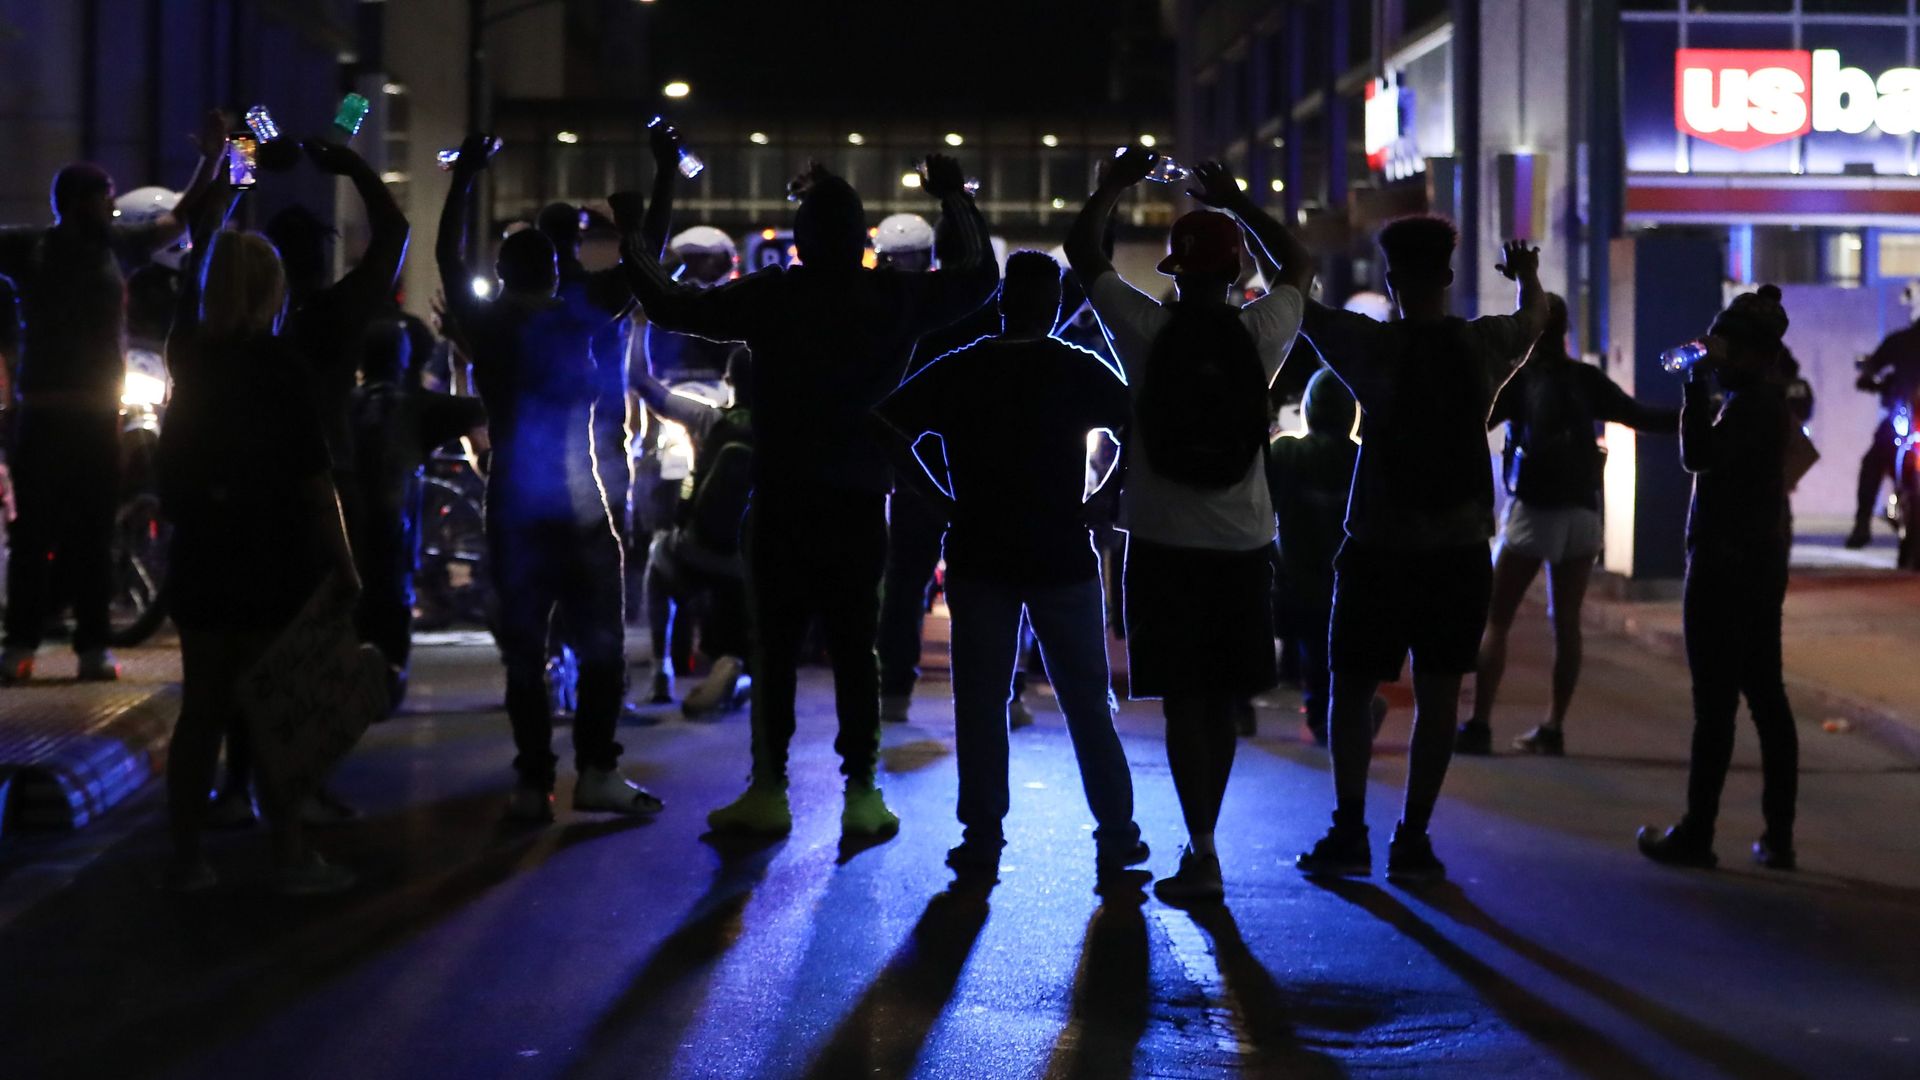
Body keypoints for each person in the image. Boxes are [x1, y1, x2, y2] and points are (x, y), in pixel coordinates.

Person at [617, 150, 996, 839]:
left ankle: (768, 789)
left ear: (800, 239)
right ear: (864, 243)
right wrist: (953, 197)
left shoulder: (774, 296)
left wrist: (633, 240)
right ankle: (862, 793)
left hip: (782, 496)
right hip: (858, 499)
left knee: (776, 647)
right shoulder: (893, 298)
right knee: (857, 648)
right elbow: (979, 280)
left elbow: (670, 303)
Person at [1067, 151, 1314, 906]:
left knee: (1183, 700)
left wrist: (1114, 182)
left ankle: (1200, 847)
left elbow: (1083, 254)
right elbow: (1299, 265)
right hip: (1242, 543)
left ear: (1175, 273)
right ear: (1237, 275)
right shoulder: (1261, 332)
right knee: (1221, 698)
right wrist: (1238, 203)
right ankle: (1207, 842)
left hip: (1164, 542)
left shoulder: (1144, 331)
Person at [875, 250, 1147, 878]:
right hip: (1061, 554)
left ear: (1001, 302)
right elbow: (1137, 418)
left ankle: (983, 837)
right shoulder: (1075, 367)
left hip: (979, 553)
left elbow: (885, 423)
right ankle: (1116, 832)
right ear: (1053, 306)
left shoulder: (963, 369)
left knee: (981, 699)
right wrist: (1105, 494)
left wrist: (935, 496)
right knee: (1086, 701)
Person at [1292, 217, 1547, 885]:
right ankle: (1413, 838)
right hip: (1458, 549)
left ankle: (1350, 829)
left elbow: (1304, 312)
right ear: (1448, 277)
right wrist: (1527, 275)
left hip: (1379, 546)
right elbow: (1535, 317)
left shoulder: (1371, 349)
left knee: (1350, 689)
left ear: (1391, 279)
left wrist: (1276, 249)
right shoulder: (1483, 346)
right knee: (1438, 697)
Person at [438, 135, 663, 822]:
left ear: (502, 272)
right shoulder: (580, 318)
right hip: (583, 508)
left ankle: (532, 783)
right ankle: (597, 771)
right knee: (601, 649)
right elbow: (644, 265)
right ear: (555, 275)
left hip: (512, 511)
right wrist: (647, 194)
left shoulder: (487, 324)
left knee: (523, 655)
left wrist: (468, 176)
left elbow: (448, 255)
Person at [158, 166, 358, 895]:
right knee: (279, 711)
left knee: (201, 711)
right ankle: (291, 855)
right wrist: (344, 563)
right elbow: (314, 476)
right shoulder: (282, 369)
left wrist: (232, 166)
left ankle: (186, 859)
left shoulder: (190, 360)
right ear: (271, 293)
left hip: (203, 554)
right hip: (273, 555)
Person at [0, 119, 220, 682]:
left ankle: (93, 647)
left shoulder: (117, 250)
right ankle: (20, 645)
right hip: (45, 414)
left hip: (97, 418)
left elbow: (183, 217)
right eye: (103, 197)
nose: (110, 207)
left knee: (93, 533)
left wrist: (217, 158)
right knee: (34, 536)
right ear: (78, 202)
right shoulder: (30, 248)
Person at [1457, 294, 1677, 757]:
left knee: (1497, 618)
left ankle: (1479, 725)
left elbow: (1471, 423)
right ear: (1566, 331)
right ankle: (1553, 727)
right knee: (1568, 622)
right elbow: (1640, 417)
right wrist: (1696, 416)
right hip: (1583, 513)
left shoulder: (1518, 381)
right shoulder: (1586, 379)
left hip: (1533, 510)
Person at [1638, 285, 1802, 872]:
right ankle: (1777, 837)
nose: (1717, 358)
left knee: (1719, 707)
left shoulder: (1751, 405)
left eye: (1726, 349)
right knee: (1765, 699)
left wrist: (1691, 389)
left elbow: (1697, 457)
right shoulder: (1764, 401)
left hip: (1724, 570)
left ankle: (1698, 832)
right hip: (1756, 566)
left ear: (1754, 354)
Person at [348, 319, 488, 707]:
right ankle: (387, 682)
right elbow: (480, 409)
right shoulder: (415, 406)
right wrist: (468, 356)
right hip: (393, 542)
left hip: (344, 542)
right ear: (406, 358)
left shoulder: (345, 403)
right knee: (391, 616)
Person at [636, 224, 742, 705]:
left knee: (662, 553)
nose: (702, 273)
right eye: (692, 262)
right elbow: (647, 381)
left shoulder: (736, 312)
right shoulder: (671, 312)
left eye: (710, 262)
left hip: (699, 412)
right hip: (676, 428)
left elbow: (640, 379)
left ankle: (666, 664)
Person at [634, 347, 755, 718]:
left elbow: (642, 382)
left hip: (697, 551)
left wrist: (638, 326)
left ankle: (661, 670)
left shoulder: (709, 420)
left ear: (728, 382)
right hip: (752, 564)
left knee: (657, 553)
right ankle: (736, 666)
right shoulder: (789, 429)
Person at [1267, 367, 1361, 746]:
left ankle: (1240, 705)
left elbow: (1260, 510)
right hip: (1347, 582)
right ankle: (1335, 713)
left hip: (1291, 579)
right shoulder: (1361, 458)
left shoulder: (1286, 452)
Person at [1847, 311, 1920, 548]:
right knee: (1873, 461)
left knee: (1872, 463)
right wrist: (1868, 378)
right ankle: (1862, 524)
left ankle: (1862, 525)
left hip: (1905, 415)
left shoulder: (1899, 340)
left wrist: (1868, 376)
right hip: (1905, 418)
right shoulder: (1899, 342)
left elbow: (1871, 367)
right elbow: (1872, 367)